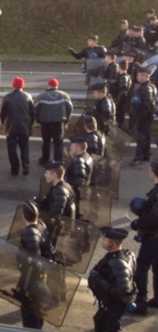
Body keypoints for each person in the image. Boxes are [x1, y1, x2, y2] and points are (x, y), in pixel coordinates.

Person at [88, 227, 136, 332]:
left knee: (111, 328)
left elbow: (121, 290)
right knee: (99, 322)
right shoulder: (117, 256)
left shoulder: (118, 262)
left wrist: (98, 280)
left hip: (113, 305)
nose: (101, 240)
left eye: (105, 239)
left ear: (113, 244)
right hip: (107, 303)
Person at [128, 160, 158, 315]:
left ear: (153, 172)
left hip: (154, 236)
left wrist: (138, 223)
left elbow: (155, 216)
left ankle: (140, 304)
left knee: (141, 268)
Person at [19, 201, 50, 330]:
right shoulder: (41, 226)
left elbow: (35, 261)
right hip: (40, 278)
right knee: (38, 310)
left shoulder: (31, 234)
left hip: (32, 280)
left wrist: (28, 287)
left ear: (23, 216)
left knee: (30, 313)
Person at [0, 77, 34, 176]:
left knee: (12, 149)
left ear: (13, 85)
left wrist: (4, 123)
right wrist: (29, 124)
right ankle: (26, 164)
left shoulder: (7, 97)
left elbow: (2, 114)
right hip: (24, 127)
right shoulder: (28, 96)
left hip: (11, 127)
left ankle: (15, 169)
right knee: (24, 146)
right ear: (23, 86)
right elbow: (32, 113)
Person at [34, 78, 72, 165]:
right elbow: (70, 109)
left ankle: (45, 159)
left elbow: (35, 110)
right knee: (58, 143)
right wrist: (66, 121)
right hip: (59, 123)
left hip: (45, 124)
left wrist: (38, 120)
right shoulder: (64, 96)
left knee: (46, 142)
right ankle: (57, 161)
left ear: (48, 86)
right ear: (57, 86)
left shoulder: (41, 96)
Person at [130, 67, 156, 166]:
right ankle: (146, 154)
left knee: (141, 136)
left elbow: (148, 105)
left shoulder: (146, 88)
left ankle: (138, 157)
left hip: (144, 116)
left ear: (144, 76)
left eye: (139, 75)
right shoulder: (149, 86)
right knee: (146, 135)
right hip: (146, 116)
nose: (137, 76)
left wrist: (140, 117)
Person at [115, 61, 131, 130]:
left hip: (122, 102)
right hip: (123, 101)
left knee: (120, 119)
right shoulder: (126, 76)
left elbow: (123, 92)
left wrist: (117, 102)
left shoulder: (123, 77)